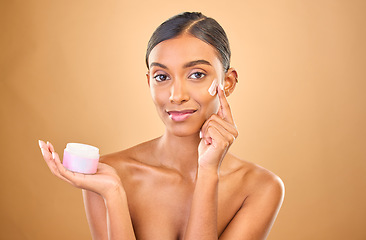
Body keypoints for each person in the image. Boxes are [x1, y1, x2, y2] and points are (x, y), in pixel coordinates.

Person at [39, 12, 284, 240]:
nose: (176, 96)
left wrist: (208, 173)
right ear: (149, 82)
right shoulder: (109, 175)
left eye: (197, 74)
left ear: (227, 82)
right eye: (162, 77)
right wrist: (114, 194)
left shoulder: (261, 188)